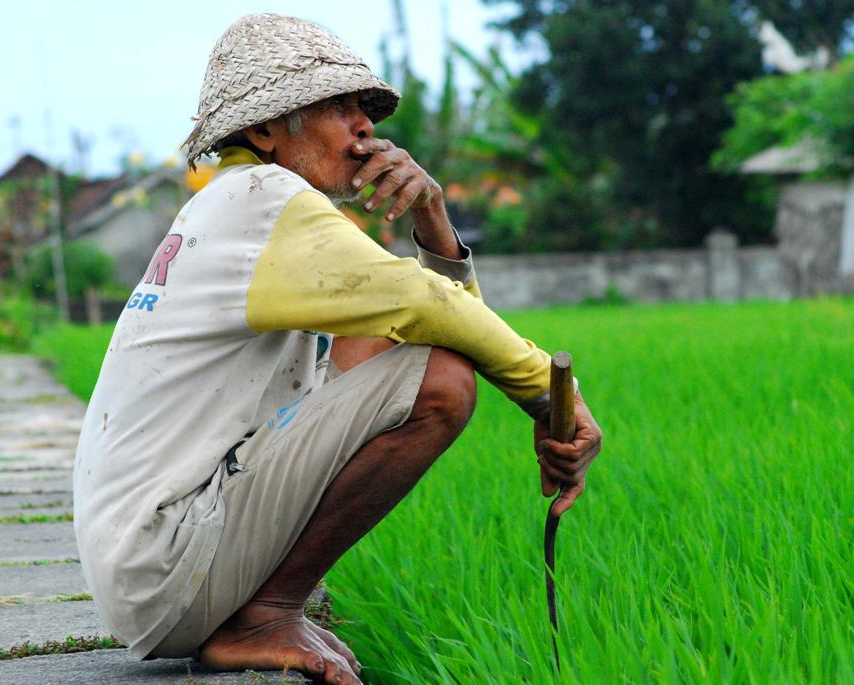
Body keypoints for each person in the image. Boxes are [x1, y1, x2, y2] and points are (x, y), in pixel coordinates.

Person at [73, 13, 602, 684]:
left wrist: (432, 220)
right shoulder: (265, 200)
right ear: (264, 130)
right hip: (171, 564)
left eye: (364, 109)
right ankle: (266, 611)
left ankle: (261, 603)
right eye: (337, 106)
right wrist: (554, 397)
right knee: (440, 380)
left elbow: (415, 312)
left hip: (149, 565)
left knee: (396, 343)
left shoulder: (240, 203)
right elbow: (427, 307)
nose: (364, 128)